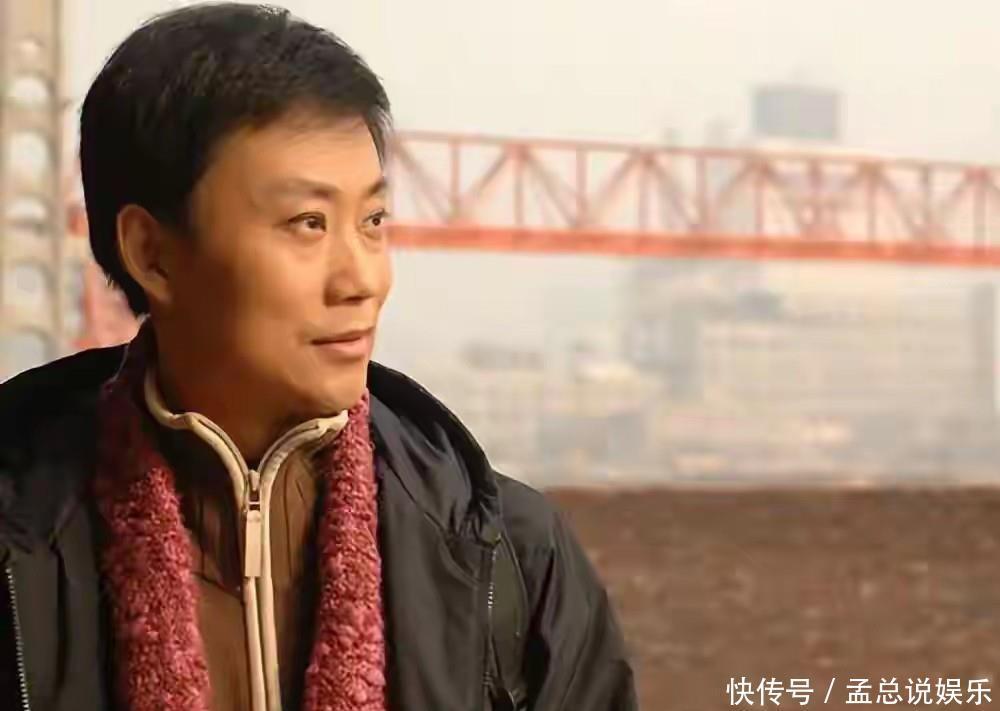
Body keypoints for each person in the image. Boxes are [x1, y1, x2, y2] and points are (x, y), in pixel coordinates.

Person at [0, 3, 637, 711]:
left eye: (372, 221)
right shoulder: (18, 550)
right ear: (152, 254)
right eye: (308, 223)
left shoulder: (509, 556)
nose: (363, 279)